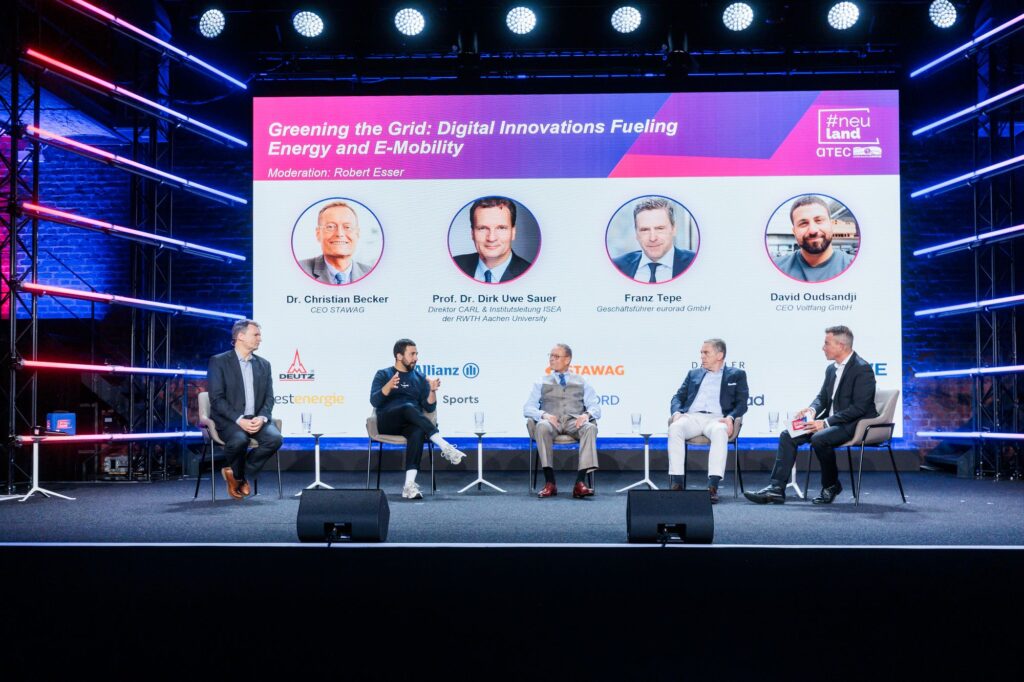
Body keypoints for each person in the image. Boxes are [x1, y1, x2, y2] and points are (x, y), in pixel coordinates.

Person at [745, 325, 876, 505]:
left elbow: (860, 408)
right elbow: (822, 397)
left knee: (819, 438)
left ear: (841, 345)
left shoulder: (862, 369)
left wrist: (825, 423)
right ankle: (776, 488)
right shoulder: (831, 369)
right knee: (788, 435)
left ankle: (831, 485)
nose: (823, 348)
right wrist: (812, 410)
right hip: (831, 422)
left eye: (827, 343)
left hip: (854, 424)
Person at [370, 339, 467, 500]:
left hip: (409, 423)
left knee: (417, 431)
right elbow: (374, 401)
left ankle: (409, 486)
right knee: (407, 407)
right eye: (412, 354)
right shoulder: (383, 374)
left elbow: (429, 407)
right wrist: (388, 386)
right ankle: (444, 445)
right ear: (399, 356)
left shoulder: (420, 378)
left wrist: (432, 391)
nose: (416, 358)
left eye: (416, 354)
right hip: (387, 422)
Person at [206, 319, 283, 500]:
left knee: (275, 439)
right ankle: (239, 477)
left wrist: (262, 417)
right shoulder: (219, 361)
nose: (259, 339)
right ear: (240, 336)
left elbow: (269, 398)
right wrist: (239, 419)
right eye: (256, 335)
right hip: (230, 420)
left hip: (256, 419)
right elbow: (216, 399)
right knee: (240, 440)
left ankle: (238, 475)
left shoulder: (264, 364)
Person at [668, 339, 749, 503]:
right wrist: (676, 413)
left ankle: (713, 486)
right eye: (701, 353)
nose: (702, 356)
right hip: (692, 417)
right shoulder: (693, 374)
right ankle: (677, 483)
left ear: (719, 355)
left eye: (706, 353)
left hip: (717, 418)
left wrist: (730, 417)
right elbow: (678, 397)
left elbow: (742, 404)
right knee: (675, 428)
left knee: (720, 431)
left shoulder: (737, 374)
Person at [523, 344, 601, 499]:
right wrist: (544, 415)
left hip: (574, 422)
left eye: (556, 356)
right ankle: (550, 482)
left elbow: (595, 407)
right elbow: (528, 408)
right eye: (550, 356)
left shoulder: (583, 381)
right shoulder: (541, 381)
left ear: (567, 359)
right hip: (552, 422)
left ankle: (580, 483)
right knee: (542, 426)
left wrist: (586, 415)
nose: (552, 359)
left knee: (590, 428)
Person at [612, 197, 696, 283]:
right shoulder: (615, 266)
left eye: (660, 228)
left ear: (674, 229)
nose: (652, 238)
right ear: (636, 233)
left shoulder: (696, 262)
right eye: (645, 230)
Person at [772, 195, 855, 282]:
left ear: (831, 225)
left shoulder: (855, 266)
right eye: (803, 223)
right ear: (794, 232)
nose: (813, 230)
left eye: (819, 220)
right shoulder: (776, 268)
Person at [453, 197, 532, 283]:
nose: (491, 238)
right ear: (472, 233)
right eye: (482, 228)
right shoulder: (453, 266)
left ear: (513, 232)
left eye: (501, 228)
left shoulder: (532, 275)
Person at [298, 201, 375, 284]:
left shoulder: (372, 275)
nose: (339, 234)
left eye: (347, 227)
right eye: (330, 227)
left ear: (357, 233)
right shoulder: (298, 270)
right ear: (318, 234)